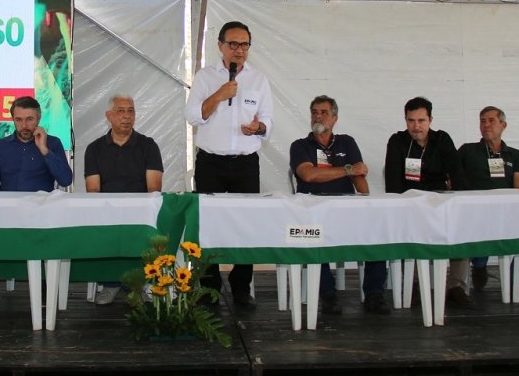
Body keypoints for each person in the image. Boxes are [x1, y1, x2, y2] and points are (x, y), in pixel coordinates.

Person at [185, 20, 273, 311]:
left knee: (246, 225)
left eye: (244, 44)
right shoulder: (204, 77)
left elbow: (268, 122)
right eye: (233, 44)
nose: (239, 50)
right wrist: (219, 95)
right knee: (208, 226)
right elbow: (193, 116)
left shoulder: (259, 79)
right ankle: (209, 288)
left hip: (246, 163)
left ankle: (241, 286)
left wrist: (259, 127)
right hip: (211, 162)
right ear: (220, 45)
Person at [289, 95, 388, 315]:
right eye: (314, 112)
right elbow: (309, 175)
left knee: (378, 233)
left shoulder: (347, 142)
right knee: (311, 238)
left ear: (335, 118)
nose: (318, 116)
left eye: (324, 112)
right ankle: (328, 295)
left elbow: (360, 175)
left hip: (346, 208)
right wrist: (348, 169)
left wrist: (365, 200)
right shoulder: (300, 145)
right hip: (312, 208)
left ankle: (374, 293)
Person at [0, 96, 72, 306]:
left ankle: (45, 285)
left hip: (40, 211)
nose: (24, 125)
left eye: (29, 119)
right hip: (6, 210)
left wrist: (44, 149)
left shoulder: (53, 143)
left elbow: (65, 179)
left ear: (38, 119)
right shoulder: (1, 146)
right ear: (13, 120)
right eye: (19, 120)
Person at [383, 96, 470, 307]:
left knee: (460, 229)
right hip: (410, 202)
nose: (416, 126)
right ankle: (413, 285)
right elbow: (393, 182)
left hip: (440, 199)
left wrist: (460, 203)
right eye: (411, 120)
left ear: (430, 119)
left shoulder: (442, 139)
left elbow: (457, 174)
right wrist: (404, 205)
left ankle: (456, 286)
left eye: (421, 120)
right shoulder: (397, 141)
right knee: (408, 232)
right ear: (405, 120)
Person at [84, 94, 164, 305]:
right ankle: (110, 284)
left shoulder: (148, 146)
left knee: (146, 231)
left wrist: (135, 211)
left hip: (140, 211)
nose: (127, 116)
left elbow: (154, 188)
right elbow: (93, 190)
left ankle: (138, 285)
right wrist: (109, 210)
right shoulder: (94, 148)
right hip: (106, 211)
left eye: (131, 111)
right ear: (108, 116)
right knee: (103, 229)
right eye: (121, 111)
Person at [455, 106, 519, 301]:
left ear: (503, 125)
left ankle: (518, 280)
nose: (486, 124)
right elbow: (453, 179)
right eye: (482, 120)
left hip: (506, 212)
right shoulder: (467, 150)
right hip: (473, 213)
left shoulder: (515, 155)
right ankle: (479, 266)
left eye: (491, 120)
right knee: (468, 234)